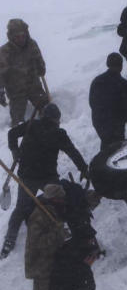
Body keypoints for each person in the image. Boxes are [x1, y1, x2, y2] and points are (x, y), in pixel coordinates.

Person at [2, 104, 87, 259]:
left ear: (43, 116)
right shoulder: (59, 133)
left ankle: (9, 240)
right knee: (61, 202)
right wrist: (84, 169)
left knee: (21, 208)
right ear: (56, 120)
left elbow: (12, 134)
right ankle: (65, 229)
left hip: (28, 175)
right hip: (47, 177)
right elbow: (73, 152)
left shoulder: (32, 125)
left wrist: (15, 151)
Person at [23, 184, 68, 290]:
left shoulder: (50, 211)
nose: (62, 201)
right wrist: (58, 234)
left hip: (42, 261)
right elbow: (38, 243)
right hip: (42, 261)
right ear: (54, 199)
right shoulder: (39, 215)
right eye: (60, 199)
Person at [0, 19, 48, 127]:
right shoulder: (4, 52)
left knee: (47, 111)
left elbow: (40, 62)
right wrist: (0, 90)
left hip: (34, 87)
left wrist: (41, 68)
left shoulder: (32, 45)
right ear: (11, 37)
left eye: (23, 36)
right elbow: (1, 73)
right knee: (17, 122)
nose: (21, 39)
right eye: (17, 37)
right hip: (16, 92)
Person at [88, 53, 127, 149]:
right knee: (116, 149)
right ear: (121, 66)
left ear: (107, 64)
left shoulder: (97, 81)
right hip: (116, 125)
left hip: (99, 122)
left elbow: (92, 103)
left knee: (106, 144)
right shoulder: (126, 85)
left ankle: (102, 160)